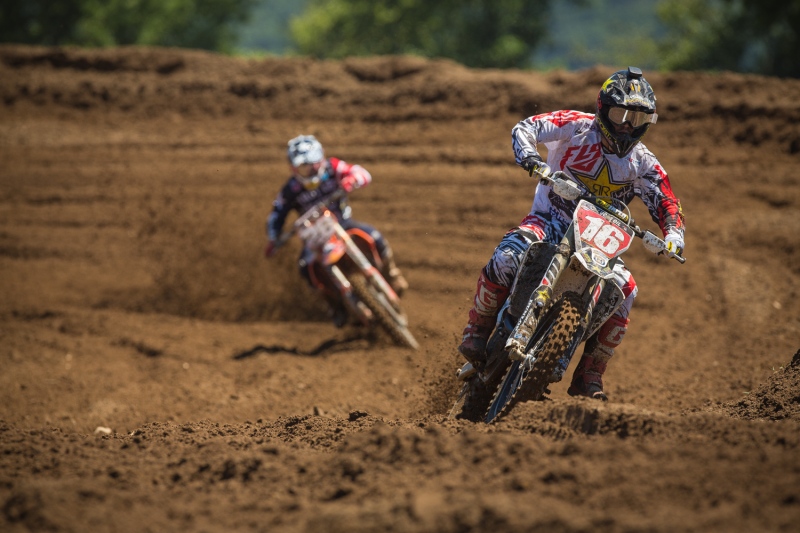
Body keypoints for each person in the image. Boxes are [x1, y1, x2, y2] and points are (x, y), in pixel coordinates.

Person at [458, 66, 685, 401]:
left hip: (600, 241)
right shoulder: (577, 126)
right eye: (621, 114)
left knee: (627, 290)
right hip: (550, 220)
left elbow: (667, 201)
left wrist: (673, 235)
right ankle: (477, 329)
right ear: (604, 108)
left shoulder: (643, 163)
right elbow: (527, 127)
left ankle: (589, 373)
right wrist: (532, 159)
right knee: (508, 254)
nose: (626, 125)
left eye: (637, 119)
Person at [265, 134, 408, 326]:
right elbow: (276, 214)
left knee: (375, 237)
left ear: (321, 159)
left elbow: (362, 173)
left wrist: (352, 180)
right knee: (305, 268)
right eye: (303, 167)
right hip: (315, 238)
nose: (309, 170)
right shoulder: (291, 189)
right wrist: (274, 237)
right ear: (293, 168)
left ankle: (393, 276)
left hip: (342, 224)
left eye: (313, 165)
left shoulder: (333, 168)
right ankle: (333, 305)